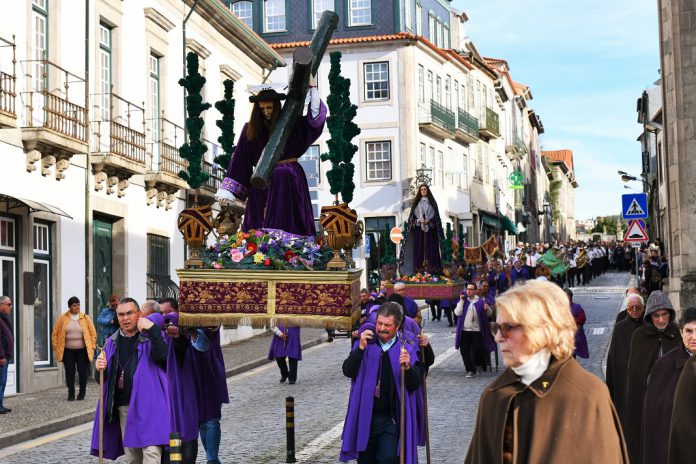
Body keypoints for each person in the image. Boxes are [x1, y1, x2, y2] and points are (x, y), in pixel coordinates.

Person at [464, 280, 628, 463]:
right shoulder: (494, 396)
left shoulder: (587, 395)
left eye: (507, 328)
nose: (498, 337)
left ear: (542, 330)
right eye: (496, 327)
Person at [215, 80, 326, 237]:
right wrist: (229, 190)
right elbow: (241, 158)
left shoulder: (291, 125)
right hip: (261, 181)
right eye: (262, 109)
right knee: (257, 229)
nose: (266, 112)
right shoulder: (250, 130)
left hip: (288, 181)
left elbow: (314, 120)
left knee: (281, 174)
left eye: (270, 108)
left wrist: (313, 89)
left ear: (277, 107)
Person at [340, 302, 423, 463]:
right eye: (379, 323)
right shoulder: (366, 344)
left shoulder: (406, 348)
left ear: (398, 326)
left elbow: (414, 385)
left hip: (391, 419)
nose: (382, 328)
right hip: (366, 417)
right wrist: (360, 349)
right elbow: (348, 371)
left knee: (388, 457)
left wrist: (408, 368)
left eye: (387, 325)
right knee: (365, 460)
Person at [90, 298, 170, 462]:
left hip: (150, 406)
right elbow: (102, 380)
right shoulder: (111, 342)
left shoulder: (151, 337)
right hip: (124, 408)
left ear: (138, 314)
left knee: (152, 455)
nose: (125, 318)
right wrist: (99, 369)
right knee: (133, 459)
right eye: (121, 314)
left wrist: (153, 329)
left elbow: (162, 356)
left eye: (129, 313)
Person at [624, 290, 680, 464]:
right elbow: (635, 373)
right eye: (657, 316)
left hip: (672, 399)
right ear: (649, 316)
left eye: (664, 315)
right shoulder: (639, 336)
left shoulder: (677, 334)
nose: (661, 320)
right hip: (647, 399)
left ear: (670, 314)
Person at [639, 307, 696, 464]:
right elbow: (654, 412)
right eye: (689, 331)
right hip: (670, 446)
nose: (694, 337)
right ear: (681, 332)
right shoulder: (664, 365)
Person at [160, 310, 210, 464]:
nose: (166, 321)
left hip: (186, 405)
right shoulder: (156, 339)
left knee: (187, 451)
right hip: (164, 408)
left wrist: (180, 335)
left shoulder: (188, 338)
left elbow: (192, 346)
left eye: (168, 315)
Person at [606, 293, 645, 428]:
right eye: (631, 307)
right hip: (625, 378)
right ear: (627, 309)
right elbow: (614, 357)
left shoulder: (648, 327)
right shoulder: (619, 328)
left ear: (643, 309)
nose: (634, 310)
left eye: (637, 307)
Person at [52, 296, 97, 401]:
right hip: (68, 350)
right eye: (74, 305)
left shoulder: (85, 318)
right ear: (69, 307)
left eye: (78, 304)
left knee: (82, 372)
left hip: (82, 350)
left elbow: (92, 333)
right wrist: (55, 346)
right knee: (70, 372)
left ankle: (82, 392)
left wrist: (92, 346)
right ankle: (71, 393)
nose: (77, 307)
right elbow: (55, 333)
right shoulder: (62, 318)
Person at [400, 183, 444, 275]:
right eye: (422, 189)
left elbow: (437, 219)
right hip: (419, 232)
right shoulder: (416, 204)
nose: (423, 191)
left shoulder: (432, 203)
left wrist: (429, 221)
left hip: (431, 233)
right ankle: (418, 271)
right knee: (419, 249)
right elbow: (411, 220)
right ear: (420, 191)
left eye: (425, 189)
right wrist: (418, 221)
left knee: (431, 249)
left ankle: (432, 271)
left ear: (427, 191)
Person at [454, 284, 494, 378]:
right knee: (464, 351)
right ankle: (469, 370)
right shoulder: (463, 301)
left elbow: (489, 314)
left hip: (477, 331)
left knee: (476, 350)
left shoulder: (480, 301)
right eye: (467, 289)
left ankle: (476, 365)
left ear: (475, 291)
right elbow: (457, 312)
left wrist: (487, 309)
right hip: (464, 330)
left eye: (471, 289)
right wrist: (461, 301)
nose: (468, 291)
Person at [564, 289, 588, 359]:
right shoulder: (559, 308)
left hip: (574, 335)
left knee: (572, 353)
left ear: (570, 296)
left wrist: (570, 321)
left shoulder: (577, 307)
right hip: (563, 335)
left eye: (567, 295)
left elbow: (582, 318)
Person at [0, 296, 14, 414]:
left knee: (3, 381)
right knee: (1, 381)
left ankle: (1, 405)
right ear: (1, 306)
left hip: (6, 355)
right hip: (2, 357)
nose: (11, 307)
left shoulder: (4, 318)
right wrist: (1, 356)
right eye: (9, 304)